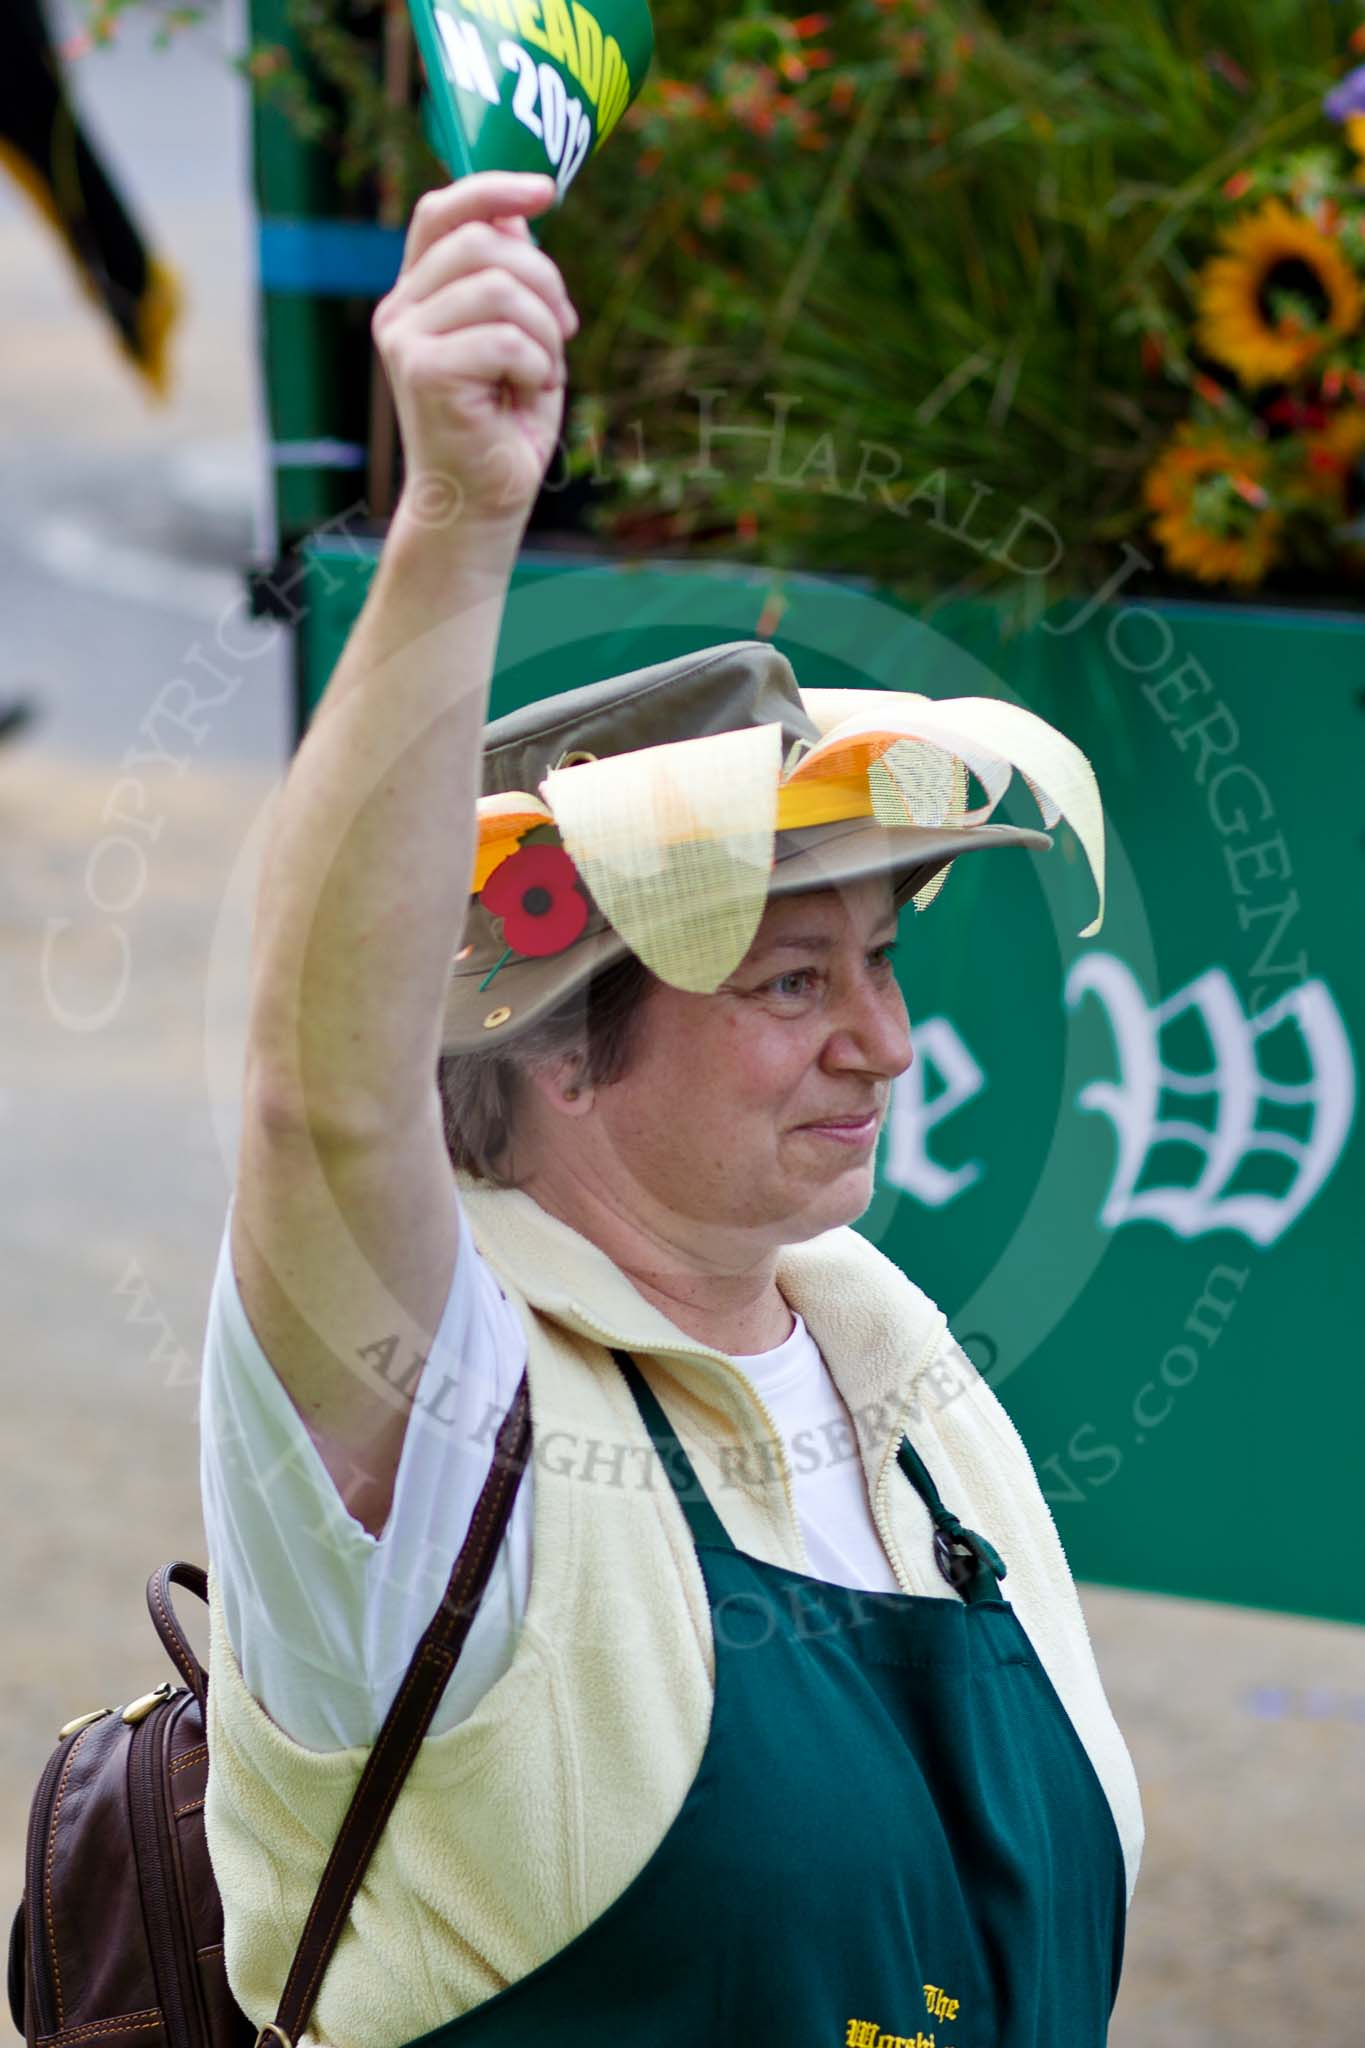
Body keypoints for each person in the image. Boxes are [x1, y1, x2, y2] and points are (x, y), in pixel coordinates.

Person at [199, 170, 1143, 2048]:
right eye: (790, 983)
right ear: (557, 1048)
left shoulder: (899, 1373)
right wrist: (456, 522)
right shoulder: (437, 1412)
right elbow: (323, 1101)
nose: (882, 1046)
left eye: (880, 962)